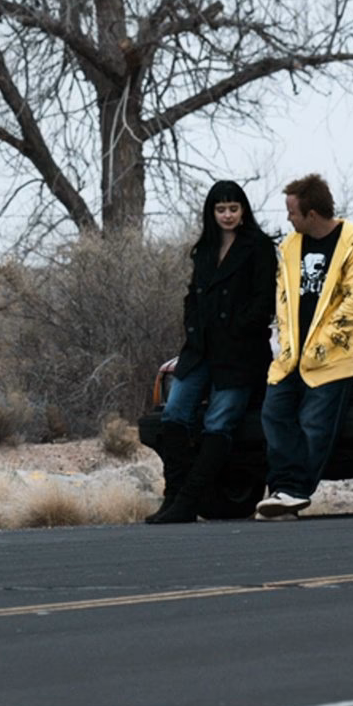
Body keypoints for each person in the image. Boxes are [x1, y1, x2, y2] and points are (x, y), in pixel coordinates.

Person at [147, 180, 278, 524]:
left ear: (244, 210)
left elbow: (264, 301)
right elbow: (193, 295)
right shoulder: (204, 248)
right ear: (212, 212)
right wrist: (192, 326)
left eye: (233, 208)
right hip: (200, 349)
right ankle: (174, 496)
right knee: (174, 413)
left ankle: (188, 502)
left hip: (240, 353)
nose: (228, 215)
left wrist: (237, 328)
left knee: (219, 421)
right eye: (221, 209)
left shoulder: (259, 247)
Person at [257, 173, 353, 520]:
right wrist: (288, 344)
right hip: (292, 357)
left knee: (314, 424)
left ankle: (293, 491)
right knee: (274, 414)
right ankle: (281, 490)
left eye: (292, 212)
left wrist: (321, 345)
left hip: (333, 357)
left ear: (311, 214)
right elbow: (283, 297)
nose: (288, 219)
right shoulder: (290, 247)